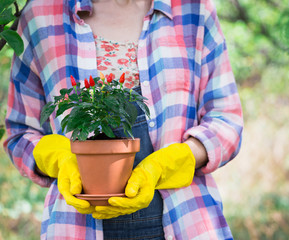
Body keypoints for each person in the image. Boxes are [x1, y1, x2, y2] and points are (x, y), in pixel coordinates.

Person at [3, 0, 243, 239]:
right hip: (76, 227)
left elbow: (226, 120)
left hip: (188, 222)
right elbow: (21, 132)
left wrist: (171, 163)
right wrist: (59, 160)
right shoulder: (41, 14)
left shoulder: (194, 9)